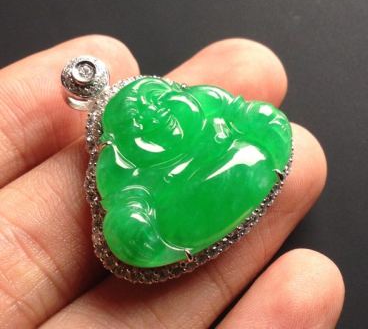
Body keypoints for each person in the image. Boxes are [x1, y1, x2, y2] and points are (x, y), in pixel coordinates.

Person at [0, 35, 344, 328]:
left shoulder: (208, 103)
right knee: (126, 236)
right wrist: (132, 221)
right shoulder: (116, 165)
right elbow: (124, 204)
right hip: (181, 209)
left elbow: (240, 113)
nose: (152, 115)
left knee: (268, 121)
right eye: (136, 122)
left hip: (237, 161)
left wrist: (257, 122)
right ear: (116, 142)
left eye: (156, 102)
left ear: (175, 93)